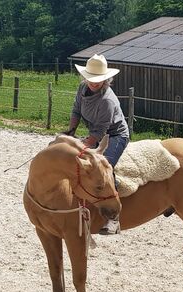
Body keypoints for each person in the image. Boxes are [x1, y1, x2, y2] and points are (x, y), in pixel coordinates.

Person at [63, 54, 130, 235]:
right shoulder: (82, 88)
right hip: (95, 132)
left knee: (104, 167)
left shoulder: (107, 100)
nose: (94, 83)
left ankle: (114, 218)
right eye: (91, 78)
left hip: (115, 135)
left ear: (106, 79)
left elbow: (99, 131)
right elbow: (76, 110)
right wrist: (70, 133)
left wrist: (83, 145)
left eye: (98, 79)